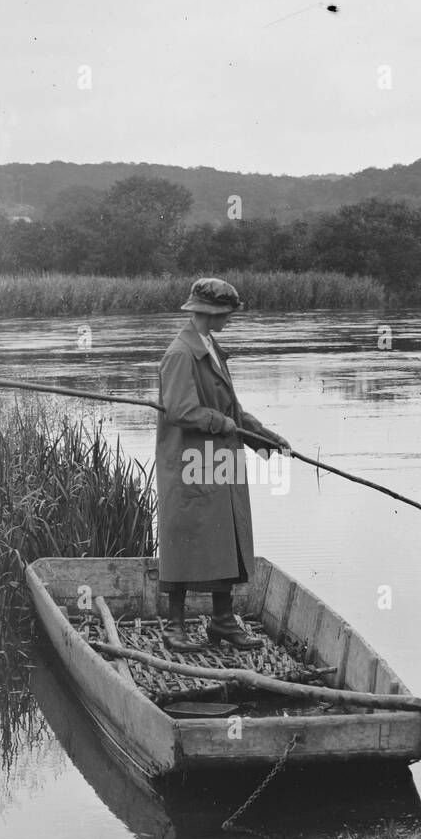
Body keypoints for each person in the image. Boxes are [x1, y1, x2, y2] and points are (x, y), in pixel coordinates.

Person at [155, 277, 289, 652]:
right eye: (226, 313)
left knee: (225, 536)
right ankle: (175, 628)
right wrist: (220, 423)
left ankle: (223, 621)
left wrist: (266, 438)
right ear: (209, 313)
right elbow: (181, 410)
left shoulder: (211, 347)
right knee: (184, 538)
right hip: (189, 462)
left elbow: (234, 410)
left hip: (219, 460)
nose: (230, 319)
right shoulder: (181, 354)